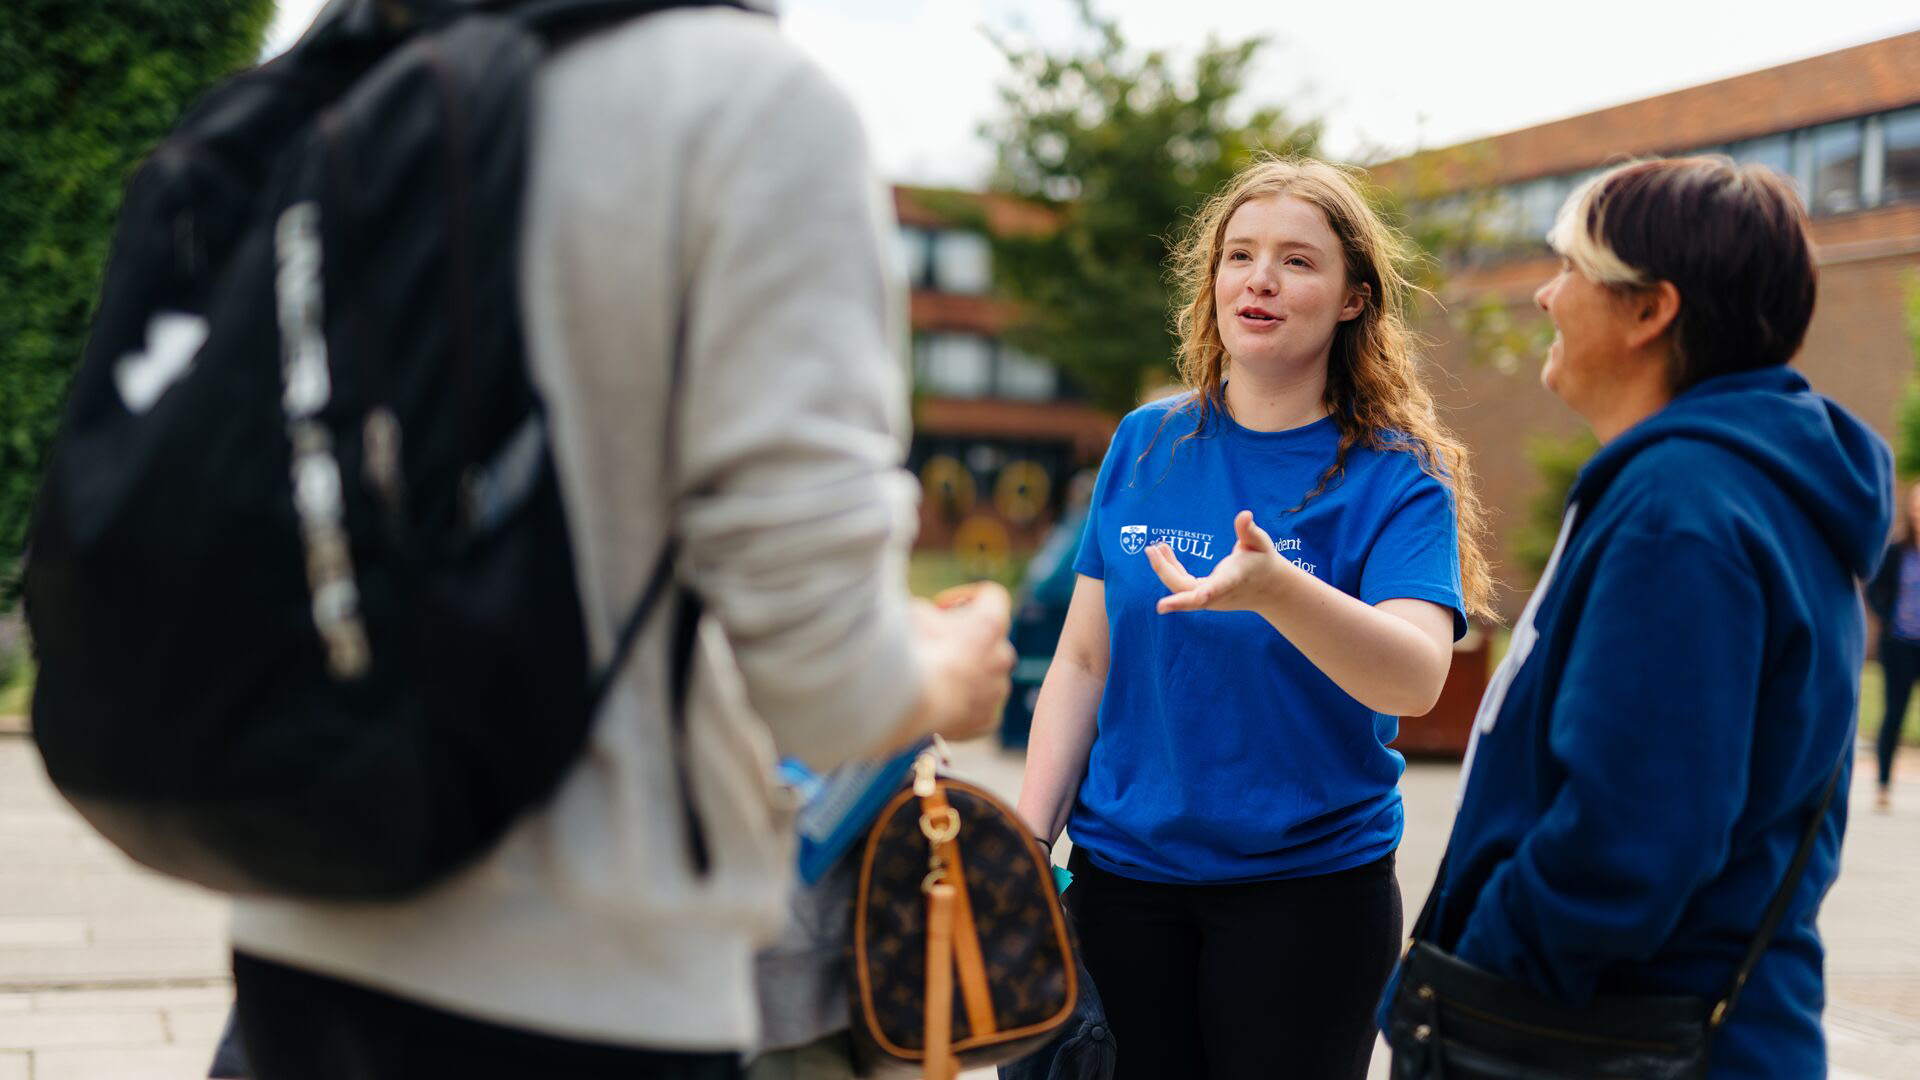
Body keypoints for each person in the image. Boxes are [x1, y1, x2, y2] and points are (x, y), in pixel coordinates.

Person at [224, 4, 1014, 1079]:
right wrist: (949, 675)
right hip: (583, 963)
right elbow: (826, 682)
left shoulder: (359, 59)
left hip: (305, 916)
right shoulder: (744, 103)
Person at [1017, 156, 1496, 1080]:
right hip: (1121, 885)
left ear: (1354, 297)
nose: (1260, 279)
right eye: (1239, 255)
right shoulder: (1144, 441)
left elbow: (1413, 675)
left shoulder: (1400, 474)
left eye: (1297, 261)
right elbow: (1081, 662)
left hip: (1308, 897)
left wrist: (1277, 589)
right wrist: (1032, 844)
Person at [1412, 157, 1891, 1079]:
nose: (1546, 297)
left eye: (1569, 268)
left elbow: (1630, 838)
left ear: (1649, 310)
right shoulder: (1754, 486)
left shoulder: (1684, 511)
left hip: (1618, 1038)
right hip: (1708, 1024)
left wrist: (1487, 962)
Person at [1867, 484, 1920, 810]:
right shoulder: (1897, 551)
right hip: (1900, 644)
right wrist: (1888, 620)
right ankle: (1883, 782)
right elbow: (1874, 590)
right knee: (1894, 712)